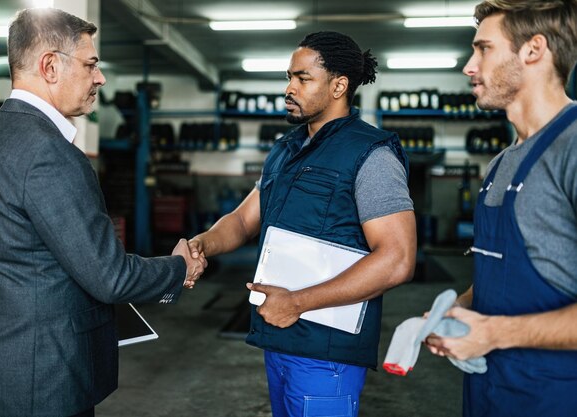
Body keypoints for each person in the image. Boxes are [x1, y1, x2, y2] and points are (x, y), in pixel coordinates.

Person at [0, 8, 205, 417]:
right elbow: (110, 277)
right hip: (46, 376)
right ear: (50, 66)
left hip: (1, 365)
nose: (100, 78)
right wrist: (179, 268)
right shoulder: (49, 154)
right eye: (90, 64)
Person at [188, 31, 416, 417]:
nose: (288, 88)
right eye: (288, 77)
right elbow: (245, 219)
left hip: (326, 350)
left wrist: (298, 302)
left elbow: (397, 259)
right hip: (280, 336)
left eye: (302, 78)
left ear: (339, 85)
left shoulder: (371, 155)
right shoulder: (286, 148)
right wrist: (202, 244)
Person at [425, 1, 577, 416]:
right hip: (489, 391)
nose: (469, 67)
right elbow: (505, 274)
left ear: (533, 50)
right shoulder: (500, 163)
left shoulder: (573, 148)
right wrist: (463, 307)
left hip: (556, 397)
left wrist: (493, 332)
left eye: (484, 49)